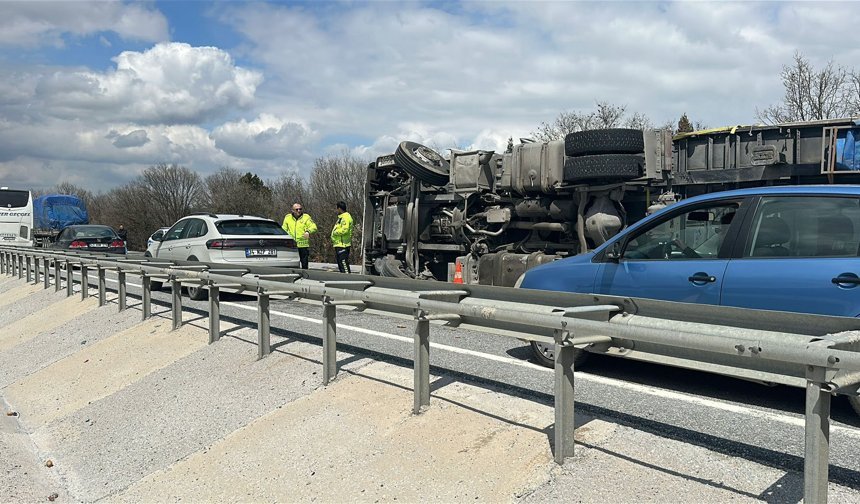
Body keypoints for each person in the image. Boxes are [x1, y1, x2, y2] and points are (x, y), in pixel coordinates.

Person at [281, 203, 317, 269]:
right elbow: (284, 229)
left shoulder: (306, 217)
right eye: (296, 209)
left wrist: (308, 231)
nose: (299, 211)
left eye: (300, 209)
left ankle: (305, 276)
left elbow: (313, 227)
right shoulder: (288, 217)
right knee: (292, 264)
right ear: (292, 210)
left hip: (303, 245)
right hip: (292, 245)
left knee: (304, 264)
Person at [330, 201, 353, 273]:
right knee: (340, 263)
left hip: (343, 245)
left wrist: (335, 232)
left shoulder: (345, 217)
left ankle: (347, 278)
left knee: (343, 263)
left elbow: (344, 230)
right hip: (338, 244)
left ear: (339, 208)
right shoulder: (341, 217)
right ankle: (343, 277)